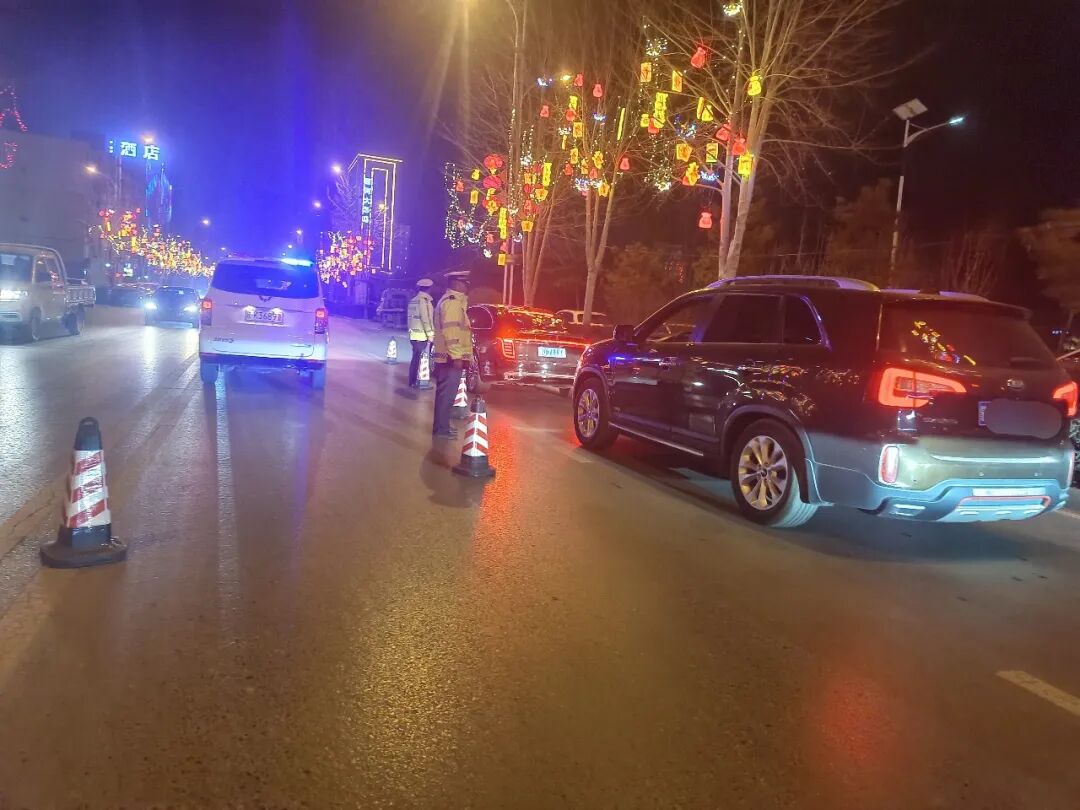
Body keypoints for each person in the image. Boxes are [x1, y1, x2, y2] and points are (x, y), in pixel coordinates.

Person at [431, 270, 473, 438]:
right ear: (456, 284)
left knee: (447, 395)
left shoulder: (454, 302)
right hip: (450, 358)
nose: (467, 286)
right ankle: (441, 429)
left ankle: (443, 426)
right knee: (446, 395)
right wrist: (456, 356)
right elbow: (451, 331)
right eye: (464, 283)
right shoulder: (452, 303)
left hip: (448, 356)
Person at [406, 278, 436, 388]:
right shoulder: (425, 301)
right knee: (421, 359)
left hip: (413, 335)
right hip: (422, 335)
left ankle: (412, 381)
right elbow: (426, 319)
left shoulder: (413, 300)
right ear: (429, 289)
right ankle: (418, 382)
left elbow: (410, 318)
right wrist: (430, 334)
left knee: (415, 358)